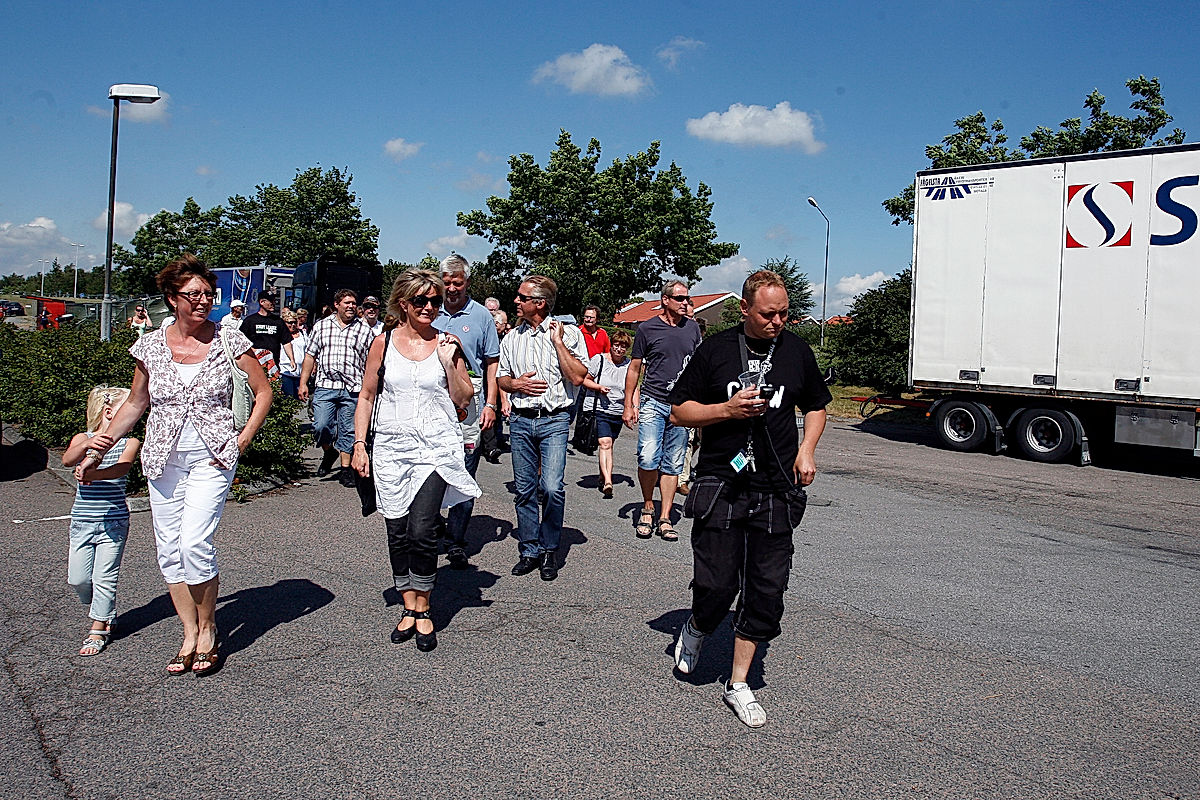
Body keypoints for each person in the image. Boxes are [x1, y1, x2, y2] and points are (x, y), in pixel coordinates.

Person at [80, 254, 273, 677]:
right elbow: (136, 402)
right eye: (194, 295)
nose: (204, 301)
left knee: (193, 545)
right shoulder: (150, 344)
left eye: (208, 293)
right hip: (163, 457)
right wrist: (99, 448)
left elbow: (263, 392)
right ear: (172, 298)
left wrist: (242, 439)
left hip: (212, 455)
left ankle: (208, 630)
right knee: (169, 550)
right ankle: (188, 633)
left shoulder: (229, 340)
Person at [668, 269, 831, 728]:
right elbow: (680, 410)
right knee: (718, 584)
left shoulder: (797, 351)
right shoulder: (716, 350)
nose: (778, 321)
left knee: (766, 589)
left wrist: (806, 449)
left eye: (784, 313)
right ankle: (699, 625)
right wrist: (727, 410)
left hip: (776, 487)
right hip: (722, 482)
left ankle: (739, 682)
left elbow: (817, 405)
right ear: (744, 310)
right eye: (768, 314)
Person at [352, 269, 479, 652]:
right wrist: (360, 444)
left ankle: (424, 606)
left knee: (423, 528)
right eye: (421, 301)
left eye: (435, 301)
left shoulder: (447, 343)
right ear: (403, 304)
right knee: (398, 530)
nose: (429, 307)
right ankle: (407, 604)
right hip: (391, 448)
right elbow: (367, 396)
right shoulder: (383, 342)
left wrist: (445, 361)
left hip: (436, 449)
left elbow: (464, 398)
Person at [497, 275, 588, 581]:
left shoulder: (570, 334)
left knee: (550, 487)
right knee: (523, 490)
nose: (516, 302)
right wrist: (514, 384)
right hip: (521, 421)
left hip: (555, 420)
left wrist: (558, 342)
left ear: (539, 303)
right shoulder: (511, 338)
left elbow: (577, 377)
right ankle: (529, 550)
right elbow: (501, 379)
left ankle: (549, 548)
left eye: (522, 297)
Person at [431, 255, 500, 569]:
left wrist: (491, 404)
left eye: (456, 283)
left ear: (467, 282)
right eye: (446, 282)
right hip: (433, 400)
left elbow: (492, 363)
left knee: (464, 472)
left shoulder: (482, 316)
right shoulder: (429, 310)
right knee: (429, 468)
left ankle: (456, 541)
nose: (451, 288)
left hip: (469, 403)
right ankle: (430, 530)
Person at [61, 386, 141, 656]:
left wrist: (94, 475)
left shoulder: (129, 442)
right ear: (108, 412)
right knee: (79, 579)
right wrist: (84, 446)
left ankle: (98, 628)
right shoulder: (83, 438)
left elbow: (123, 467)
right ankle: (104, 609)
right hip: (82, 519)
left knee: (104, 577)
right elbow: (67, 459)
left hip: (113, 520)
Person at [623, 280, 702, 542]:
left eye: (687, 299)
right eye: (680, 298)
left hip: (681, 405)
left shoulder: (692, 329)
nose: (685, 303)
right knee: (647, 457)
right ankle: (648, 507)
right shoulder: (647, 329)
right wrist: (628, 404)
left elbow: (700, 367)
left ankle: (665, 516)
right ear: (665, 300)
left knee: (674, 463)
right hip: (653, 401)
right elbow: (635, 368)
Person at [298, 289, 374, 487]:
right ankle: (328, 451)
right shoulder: (322, 326)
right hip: (326, 385)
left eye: (353, 303)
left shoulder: (364, 330)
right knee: (321, 426)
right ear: (337, 305)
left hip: (353, 387)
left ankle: (346, 469)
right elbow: (310, 355)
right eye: (347, 303)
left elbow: (371, 362)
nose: (351, 306)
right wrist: (303, 382)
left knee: (348, 429)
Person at [580, 329, 632, 498]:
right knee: (605, 443)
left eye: (623, 346)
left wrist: (633, 407)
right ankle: (608, 481)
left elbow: (634, 387)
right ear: (612, 345)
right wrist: (599, 387)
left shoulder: (629, 365)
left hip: (617, 411)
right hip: (600, 409)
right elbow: (585, 380)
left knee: (610, 445)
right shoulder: (599, 360)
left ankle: (603, 475)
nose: (619, 349)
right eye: (616, 345)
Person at [240, 288, 294, 375]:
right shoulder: (250, 321)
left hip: (273, 366)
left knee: (273, 388)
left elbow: (286, 342)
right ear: (262, 302)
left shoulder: (278, 321)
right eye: (271, 301)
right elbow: (241, 342)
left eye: (274, 300)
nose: (273, 303)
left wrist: (291, 359)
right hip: (254, 365)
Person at [278, 308, 308, 398]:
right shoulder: (281, 335)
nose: (293, 325)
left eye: (295, 322)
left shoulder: (303, 334)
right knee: (288, 399)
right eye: (290, 323)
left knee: (298, 402)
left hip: (300, 373)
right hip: (285, 372)